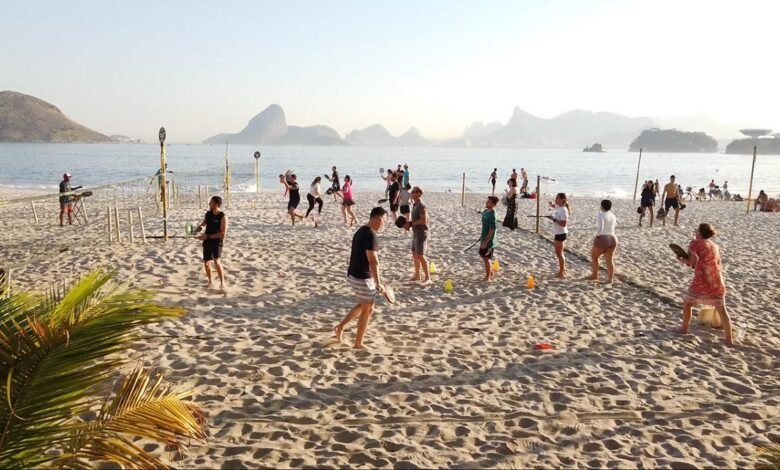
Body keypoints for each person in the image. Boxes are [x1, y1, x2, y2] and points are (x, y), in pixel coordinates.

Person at [334, 206, 389, 349]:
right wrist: (378, 283)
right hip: (360, 276)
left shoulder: (360, 231)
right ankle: (358, 343)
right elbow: (373, 261)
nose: (384, 224)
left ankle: (340, 327)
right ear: (378, 219)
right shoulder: (371, 235)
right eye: (384, 221)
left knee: (364, 304)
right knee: (368, 308)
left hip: (354, 273)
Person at [678, 223, 733, 345]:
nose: (695, 231)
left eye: (697, 230)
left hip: (701, 280)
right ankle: (729, 339)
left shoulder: (695, 243)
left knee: (688, 303)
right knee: (722, 310)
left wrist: (683, 260)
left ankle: (684, 328)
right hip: (716, 280)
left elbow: (693, 261)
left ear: (700, 232)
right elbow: (718, 263)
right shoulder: (714, 246)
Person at [194, 196, 228, 293]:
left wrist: (206, 236)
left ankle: (222, 283)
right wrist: (196, 230)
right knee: (206, 262)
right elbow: (203, 224)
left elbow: (222, 234)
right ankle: (210, 281)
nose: (209, 204)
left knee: (217, 261)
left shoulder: (223, 216)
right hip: (207, 241)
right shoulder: (208, 214)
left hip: (217, 241)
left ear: (216, 204)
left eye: (211, 203)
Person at [587, 199, 618, 283]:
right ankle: (610, 279)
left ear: (602, 206)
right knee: (609, 260)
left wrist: (597, 236)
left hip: (604, 237)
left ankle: (594, 275)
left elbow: (600, 227)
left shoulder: (601, 215)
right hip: (613, 237)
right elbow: (614, 225)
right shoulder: (613, 215)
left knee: (594, 257)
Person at [406, 186, 430, 284]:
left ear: (419, 194)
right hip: (415, 233)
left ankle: (428, 277)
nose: (412, 193)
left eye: (414, 192)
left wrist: (411, 223)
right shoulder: (415, 205)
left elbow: (424, 220)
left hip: (421, 233)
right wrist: (409, 224)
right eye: (412, 192)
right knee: (414, 254)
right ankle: (417, 275)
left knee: (420, 255)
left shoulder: (421, 206)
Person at [547, 193, 570, 278]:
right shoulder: (559, 207)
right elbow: (555, 206)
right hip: (558, 233)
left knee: (559, 253)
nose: (555, 200)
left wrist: (554, 219)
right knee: (559, 253)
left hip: (561, 233)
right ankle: (562, 270)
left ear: (562, 200)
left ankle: (561, 272)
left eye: (557, 198)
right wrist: (551, 204)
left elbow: (563, 224)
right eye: (555, 198)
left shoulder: (564, 210)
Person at [478, 196, 499, 281]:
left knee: (486, 258)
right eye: (487, 201)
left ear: (493, 205)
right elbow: (483, 218)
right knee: (483, 255)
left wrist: (485, 242)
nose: (487, 202)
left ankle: (488, 277)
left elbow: (492, 230)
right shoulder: (485, 211)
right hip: (484, 236)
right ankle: (490, 272)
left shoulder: (493, 215)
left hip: (489, 240)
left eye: (489, 202)